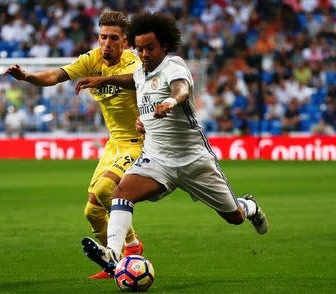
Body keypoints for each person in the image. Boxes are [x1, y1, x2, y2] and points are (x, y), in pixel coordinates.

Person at [76, 12, 269, 275]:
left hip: (193, 160)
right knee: (121, 192)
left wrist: (171, 101)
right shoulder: (140, 73)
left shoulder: (174, 66)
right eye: (140, 48)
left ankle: (250, 206)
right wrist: (103, 79)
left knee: (233, 217)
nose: (144, 54)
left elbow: (181, 88)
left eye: (150, 48)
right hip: (157, 159)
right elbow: (132, 80)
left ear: (164, 45)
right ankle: (113, 251)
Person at [5, 11, 144, 279]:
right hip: (114, 145)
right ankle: (113, 263)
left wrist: (103, 80)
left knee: (106, 189)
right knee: (92, 211)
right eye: (103, 37)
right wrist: (27, 77)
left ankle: (131, 247)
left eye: (113, 38)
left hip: (139, 142)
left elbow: (135, 81)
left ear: (124, 41)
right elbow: (55, 76)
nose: (106, 43)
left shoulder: (133, 64)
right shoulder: (92, 59)